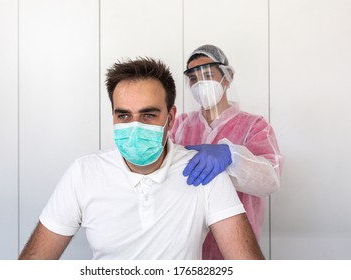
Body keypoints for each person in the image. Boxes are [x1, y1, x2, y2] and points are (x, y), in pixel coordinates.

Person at [19, 57, 264, 260]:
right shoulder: (84, 173)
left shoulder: (202, 172)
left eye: (148, 115)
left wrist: (233, 156)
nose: (135, 127)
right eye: (124, 116)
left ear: (171, 117)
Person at [170, 44, 283, 259]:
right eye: (193, 78)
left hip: (238, 244)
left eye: (208, 75)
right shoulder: (180, 126)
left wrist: (233, 157)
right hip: (185, 245)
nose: (200, 83)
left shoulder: (254, 126)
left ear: (227, 77)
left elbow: (270, 180)